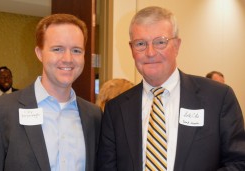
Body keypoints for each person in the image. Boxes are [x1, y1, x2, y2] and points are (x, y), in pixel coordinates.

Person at [96, 6, 245, 171]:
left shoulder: (218, 98)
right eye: (140, 44)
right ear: (131, 49)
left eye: (160, 42)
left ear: (177, 45)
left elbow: (239, 163)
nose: (150, 52)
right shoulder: (116, 110)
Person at [0, 13, 102, 171]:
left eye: (76, 50)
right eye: (57, 49)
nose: (68, 58)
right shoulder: (1, 111)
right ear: (39, 53)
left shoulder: (94, 116)